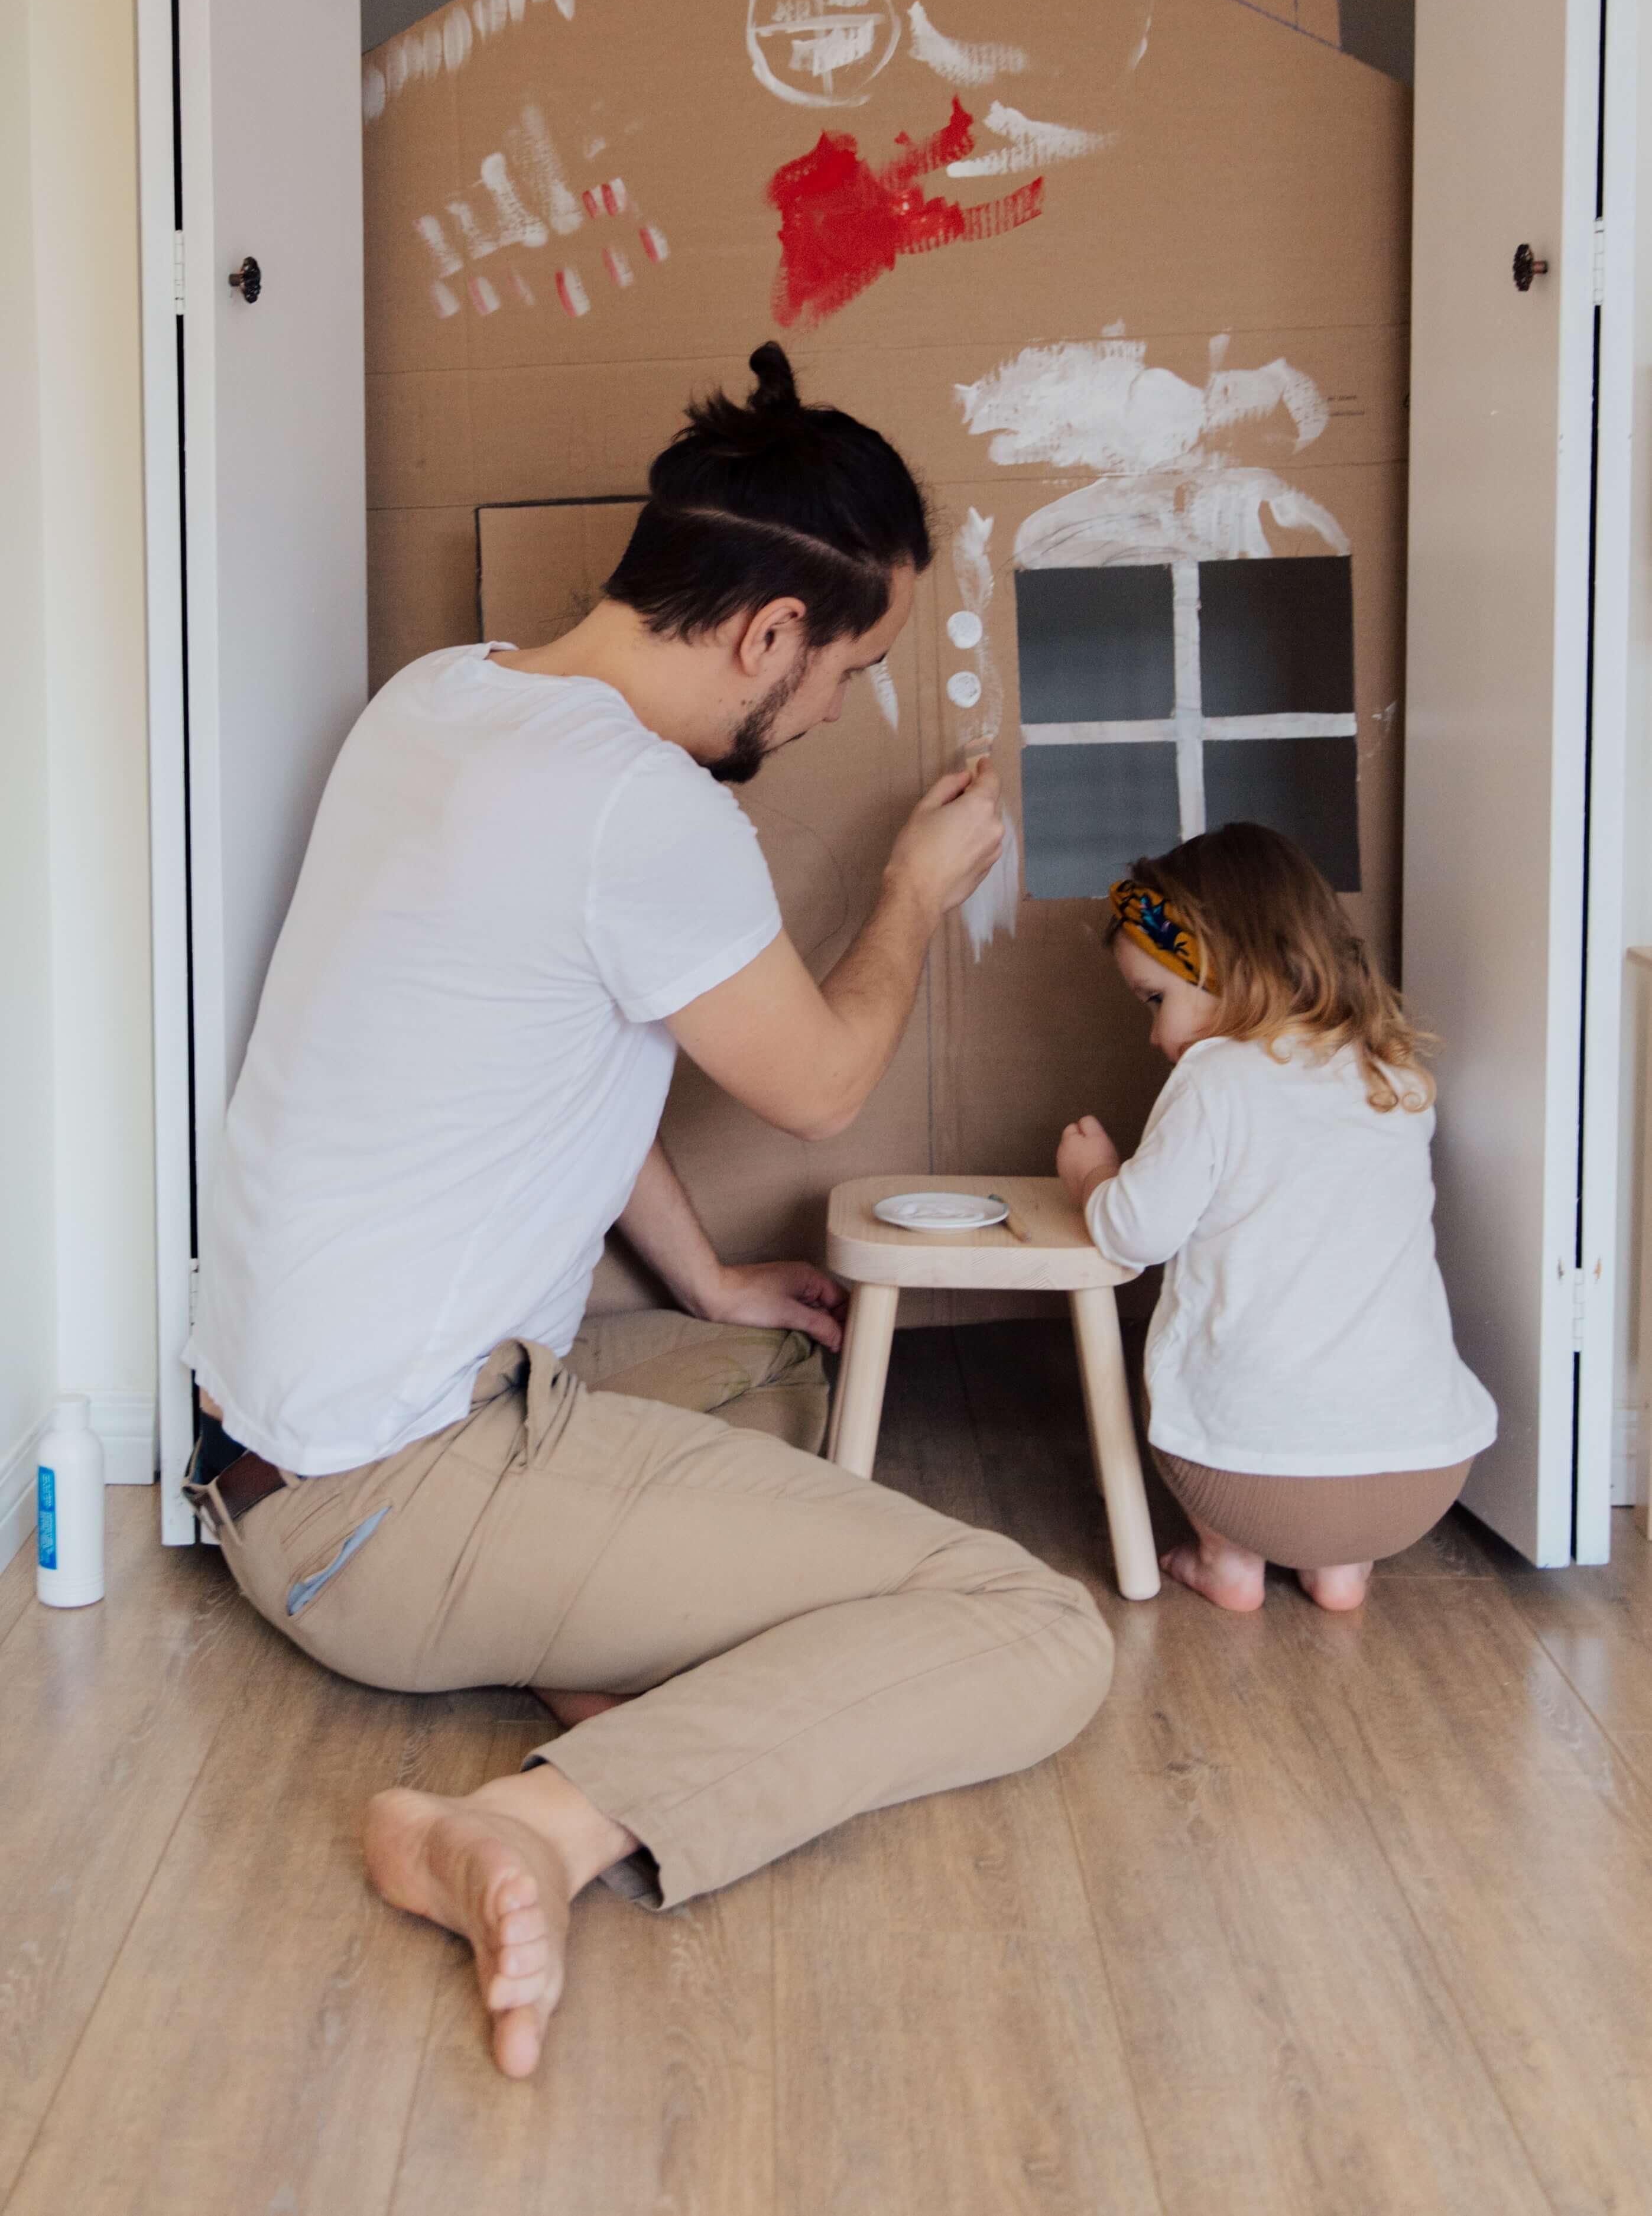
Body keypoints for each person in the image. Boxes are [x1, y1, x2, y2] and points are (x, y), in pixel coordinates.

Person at [182, 343, 1114, 2079]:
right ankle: (540, 1825)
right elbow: (826, 1081)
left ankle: (588, 1665)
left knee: (777, 1373)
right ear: (768, 631)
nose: (838, 709)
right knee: (1032, 1630)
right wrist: (912, 889)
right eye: (849, 667)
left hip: (269, 1459)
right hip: (384, 1511)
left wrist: (709, 1281)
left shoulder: (441, 699)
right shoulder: (640, 806)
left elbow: (564, 1073)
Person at [1055, 822, 1497, 1615]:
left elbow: (1136, 1233)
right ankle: (1341, 1570)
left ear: (1226, 966)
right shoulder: (1396, 1075)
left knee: (1184, 1372)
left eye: (1158, 1000)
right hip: (1421, 1477)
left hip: (1250, 1483)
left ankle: (1226, 1558)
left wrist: (1095, 1177)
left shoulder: (1214, 1080)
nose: (1158, 1035)